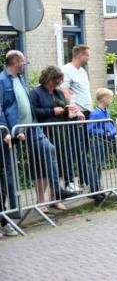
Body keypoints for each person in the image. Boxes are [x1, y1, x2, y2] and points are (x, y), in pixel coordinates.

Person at [0, 51, 76, 235]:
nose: (25, 63)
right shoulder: (2, 80)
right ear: (16, 62)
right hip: (13, 130)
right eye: (23, 61)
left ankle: (57, 191)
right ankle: (13, 210)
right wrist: (4, 128)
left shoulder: (20, 78)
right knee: (9, 172)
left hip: (30, 127)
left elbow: (24, 104)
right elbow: (2, 106)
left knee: (49, 149)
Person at [30, 66, 80, 211]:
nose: (57, 83)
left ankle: (55, 198)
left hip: (59, 133)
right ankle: (40, 202)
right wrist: (51, 111)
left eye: (59, 80)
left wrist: (69, 112)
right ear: (47, 78)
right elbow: (33, 112)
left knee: (56, 165)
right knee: (41, 168)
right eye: (55, 80)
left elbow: (64, 109)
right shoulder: (36, 93)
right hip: (43, 133)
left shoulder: (58, 93)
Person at [60, 44, 92, 193]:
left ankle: (84, 180)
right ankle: (69, 181)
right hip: (75, 115)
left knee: (83, 148)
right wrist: (75, 110)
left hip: (86, 114)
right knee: (72, 149)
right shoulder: (67, 70)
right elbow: (65, 91)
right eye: (87, 55)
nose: (89, 58)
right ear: (80, 55)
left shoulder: (83, 71)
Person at [87, 88, 117, 206]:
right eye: (110, 98)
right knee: (95, 164)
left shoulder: (106, 111)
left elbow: (109, 124)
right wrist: (102, 133)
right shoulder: (95, 113)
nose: (111, 100)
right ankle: (93, 188)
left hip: (106, 141)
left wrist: (113, 132)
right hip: (98, 142)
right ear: (104, 99)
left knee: (99, 165)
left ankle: (97, 186)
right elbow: (90, 128)